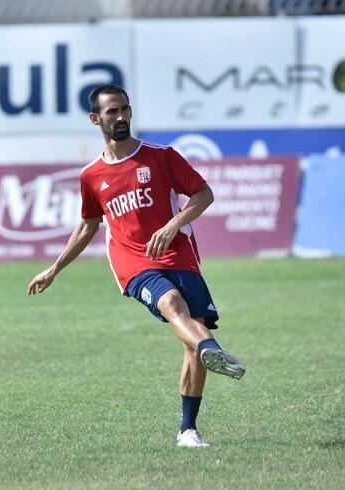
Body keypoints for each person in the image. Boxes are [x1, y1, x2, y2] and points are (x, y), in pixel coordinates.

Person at [27, 85, 246, 448]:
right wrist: (54, 269)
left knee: (192, 339)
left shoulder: (161, 157)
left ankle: (187, 429)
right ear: (96, 119)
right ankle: (213, 349)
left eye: (125, 109)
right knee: (172, 304)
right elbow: (87, 225)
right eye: (112, 112)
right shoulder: (91, 176)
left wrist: (173, 224)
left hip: (180, 253)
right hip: (134, 263)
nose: (122, 117)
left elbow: (203, 194)